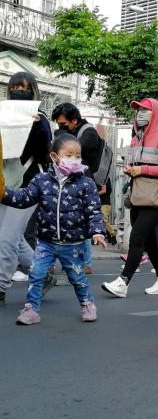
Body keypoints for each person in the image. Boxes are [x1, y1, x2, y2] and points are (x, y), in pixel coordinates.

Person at [0, 134, 106, 324]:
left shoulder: (85, 183)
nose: (74, 160)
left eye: (77, 156)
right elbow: (23, 198)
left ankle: (87, 304)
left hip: (73, 243)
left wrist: (97, 231)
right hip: (46, 242)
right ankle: (31, 309)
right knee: (36, 274)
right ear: (54, 157)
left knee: (77, 277)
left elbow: (94, 210)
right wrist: (3, 192)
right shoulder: (41, 180)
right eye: (69, 155)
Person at [102, 98, 158, 298]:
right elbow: (134, 163)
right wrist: (129, 169)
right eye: (138, 110)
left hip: (154, 199)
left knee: (136, 239)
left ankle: (123, 282)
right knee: (151, 243)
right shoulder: (136, 139)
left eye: (145, 110)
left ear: (156, 113)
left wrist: (141, 169)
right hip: (136, 196)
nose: (140, 113)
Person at [0, 72, 52, 303]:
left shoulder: (40, 119)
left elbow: (45, 155)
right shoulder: (1, 116)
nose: (19, 90)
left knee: (7, 238)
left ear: (33, 90)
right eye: (15, 86)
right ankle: (41, 274)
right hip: (4, 182)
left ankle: (0, 287)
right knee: (12, 237)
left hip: (28, 184)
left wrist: (38, 128)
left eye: (24, 87)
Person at [52, 103, 103, 274]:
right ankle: (79, 261)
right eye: (58, 124)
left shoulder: (88, 133)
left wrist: (60, 136)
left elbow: (71, 149)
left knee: (83, 221)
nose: (60, 127)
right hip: (71, 183)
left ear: (74, 120)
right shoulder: (74, 131)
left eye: (63, 124)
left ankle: (86, 263)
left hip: (85, 184)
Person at [99, 178, 117, 245]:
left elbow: (104, 191)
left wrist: (94, 194)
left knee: (104, 221)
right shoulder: (104, 178)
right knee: (102, 221)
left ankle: (113, 235)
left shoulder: (105, 179)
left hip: (104, 203)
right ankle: (110, 238)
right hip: (103, 203)